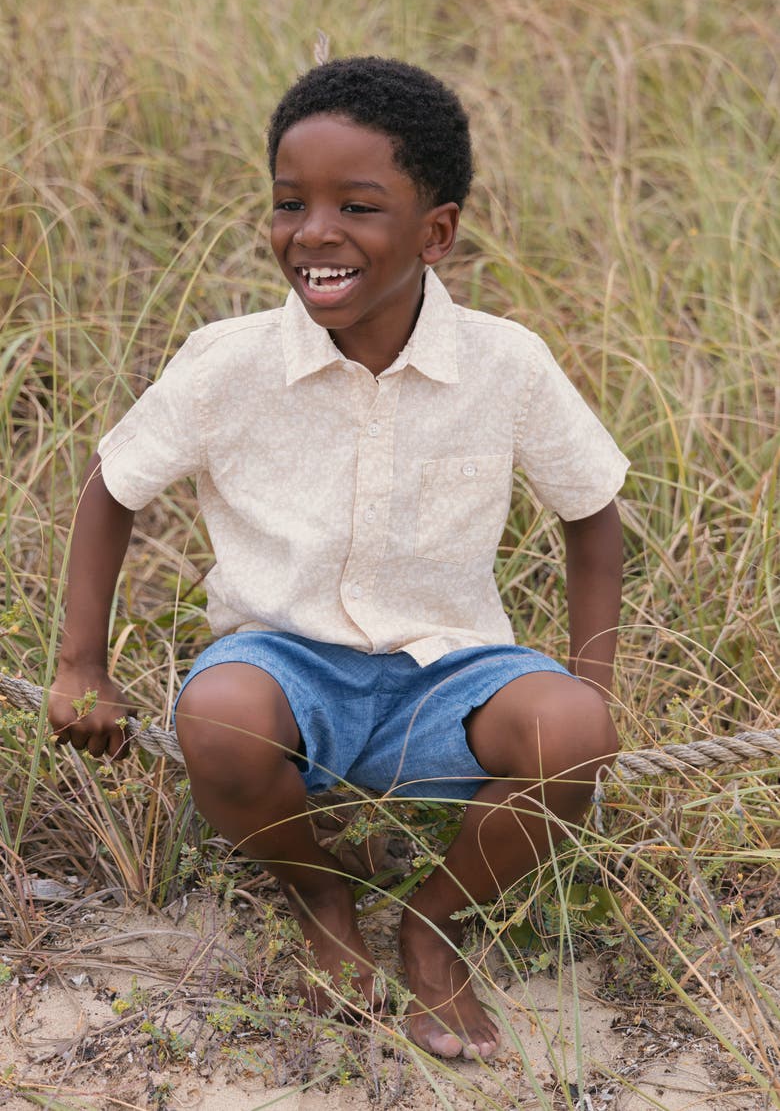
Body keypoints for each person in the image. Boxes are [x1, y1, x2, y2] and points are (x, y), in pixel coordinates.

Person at [49, 56, 628, 1061]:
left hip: (452, 668)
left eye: (357, 205)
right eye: (289, 202)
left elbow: (593, 510)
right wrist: (80, 664)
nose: (314, 232)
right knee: (220, 719)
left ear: (435, 232)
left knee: (574, 728)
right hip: (284, 665)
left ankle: (433, 927)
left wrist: (597, 676)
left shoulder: (505, 362)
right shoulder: (227, 361)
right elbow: (113, 486)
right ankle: (322, 898)